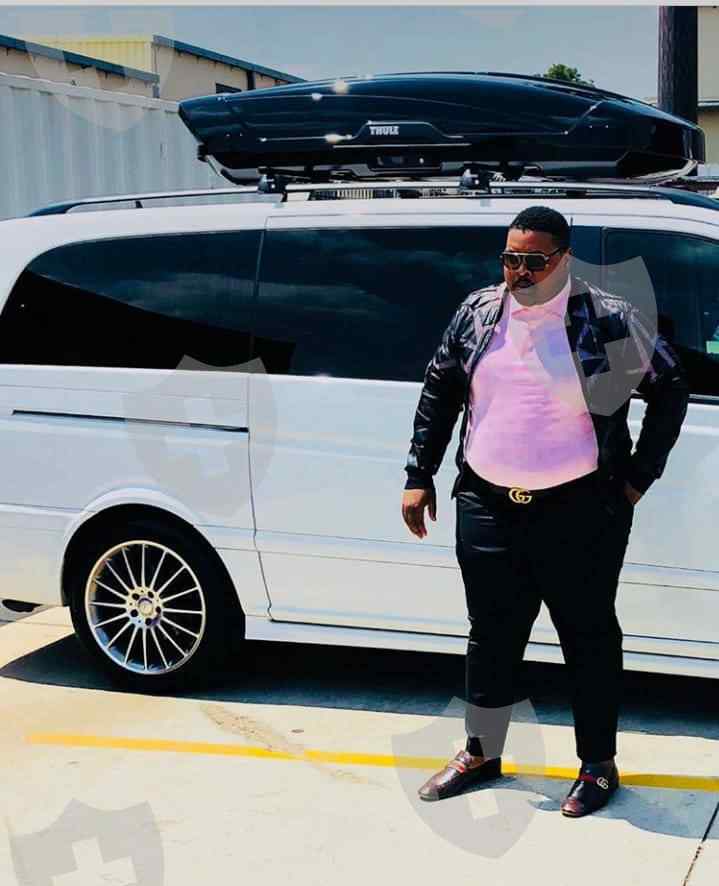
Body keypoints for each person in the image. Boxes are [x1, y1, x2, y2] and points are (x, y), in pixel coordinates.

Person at [401, 206, 690, 817]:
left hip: (580, 510)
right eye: (511, 258)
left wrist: (638, 477)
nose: (519, 272)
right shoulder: (480, 313)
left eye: (534, 260)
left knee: (587, 637)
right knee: (491, 635)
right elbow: (440, 389)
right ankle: (481, 753)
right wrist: (419, 474)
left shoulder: (605, 319)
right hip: (486, 503)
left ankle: (597, 766)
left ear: (564, 259)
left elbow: (669, 388)